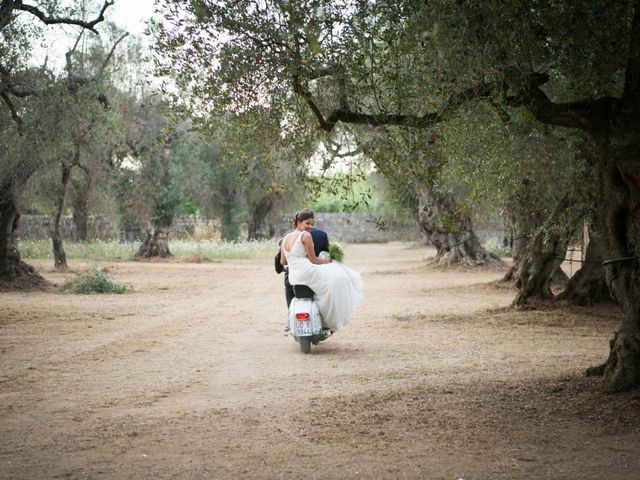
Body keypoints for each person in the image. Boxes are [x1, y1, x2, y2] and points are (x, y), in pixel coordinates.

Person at [279, 208, 363, 332]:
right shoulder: (306, 235)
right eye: (307, 223)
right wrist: (328, 261)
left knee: (331, 280)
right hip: (307, 272)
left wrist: (294, 261)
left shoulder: (285, 238)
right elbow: (313, 260)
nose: (310, 226)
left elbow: (283, 262)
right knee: (338, 275)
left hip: (294, 276)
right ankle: (327, 318)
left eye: (312, 224)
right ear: (299, 222)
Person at [274, 220, 329, 308]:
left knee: (292, 304)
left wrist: (281, 269)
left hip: (293, 278)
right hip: (314, 275)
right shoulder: (321, 235)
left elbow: (279, 260)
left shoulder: (287, 237)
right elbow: (325, 253)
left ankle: (291, 318)